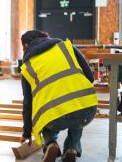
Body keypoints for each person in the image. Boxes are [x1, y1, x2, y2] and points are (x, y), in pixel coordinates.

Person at [18, 30, 98, 162]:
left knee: (43, 114)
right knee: (77, 108)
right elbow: (89, 77)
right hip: (85, 112)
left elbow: (28, 104)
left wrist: (26, 133)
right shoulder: (67, 47)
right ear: (46, 38)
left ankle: (50, 144)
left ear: (26, 46)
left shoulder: (27, 67)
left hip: (53, 119)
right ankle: (71, 148)